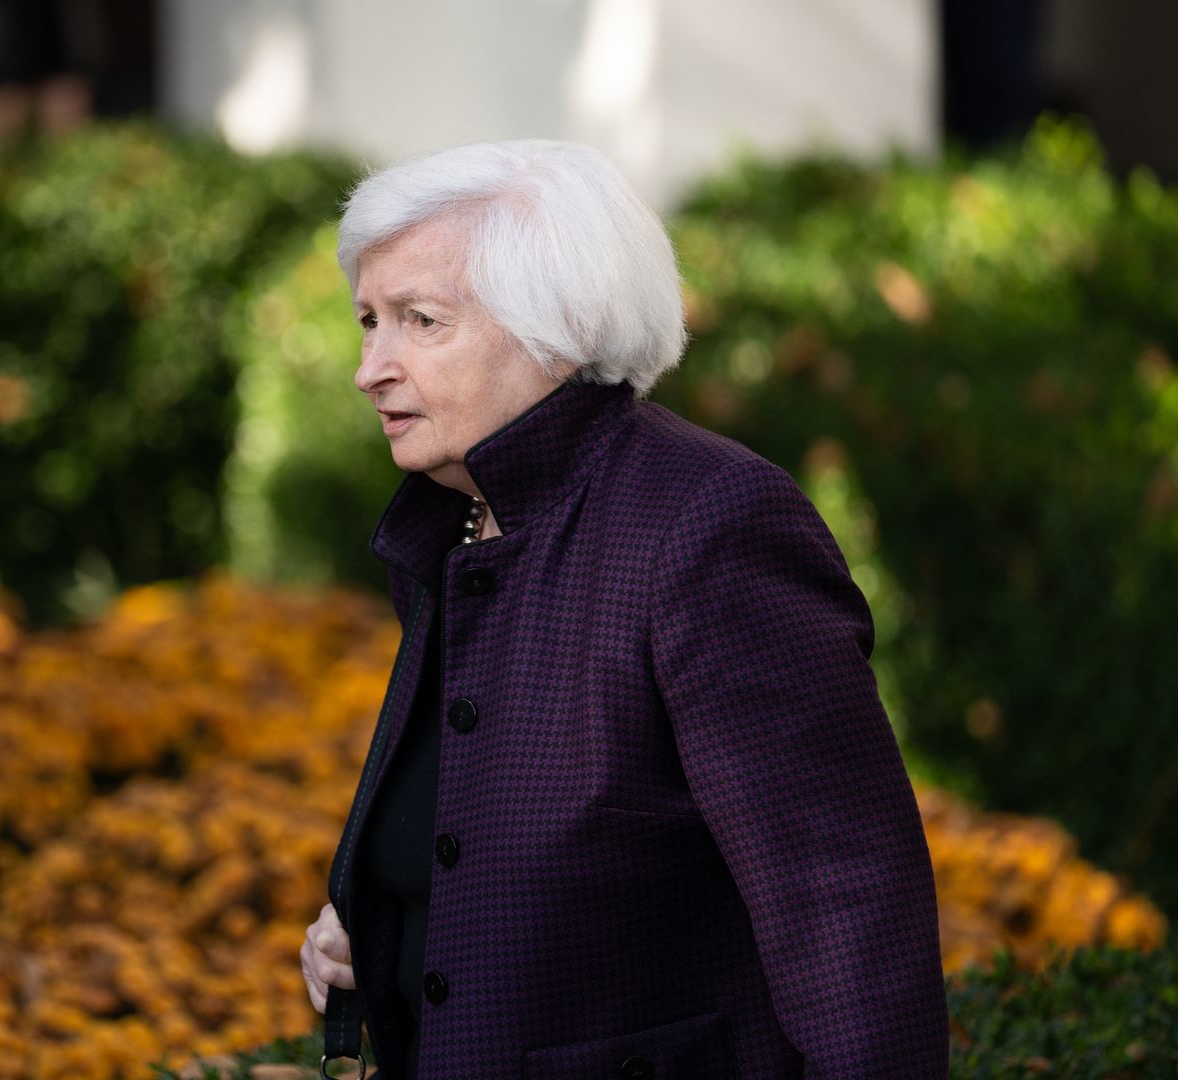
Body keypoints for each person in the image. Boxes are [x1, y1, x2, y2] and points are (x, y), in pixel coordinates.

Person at [297, 139, 948, 1078]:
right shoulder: (462, 527)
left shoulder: (707, 524)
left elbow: (845, 907)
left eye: (420, 320)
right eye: (368, 321)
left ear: (554, 328)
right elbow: (509, 862)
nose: (371, 368)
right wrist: (388, 933)